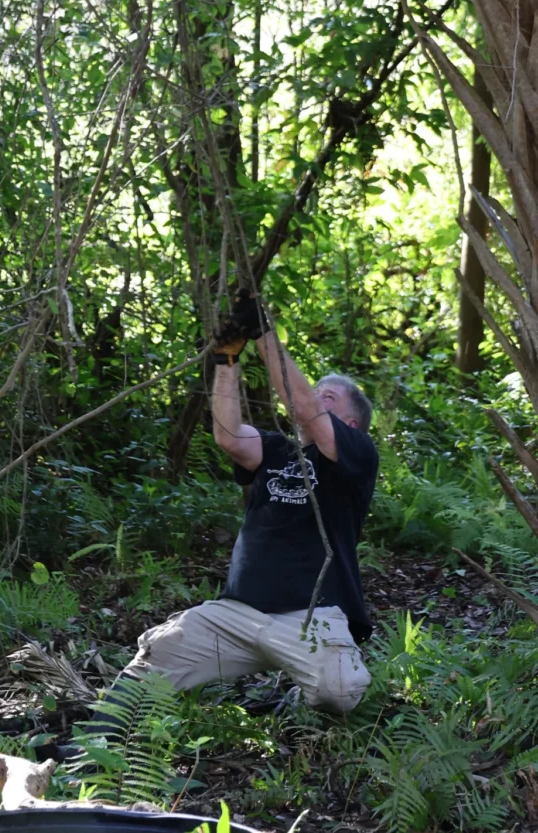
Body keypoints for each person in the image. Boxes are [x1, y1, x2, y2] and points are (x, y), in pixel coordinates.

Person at [125, 292, 378, 713]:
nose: (316, 397)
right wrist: (226, 361)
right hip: (237, 614)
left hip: (310, 616)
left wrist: (263, 335)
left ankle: (296, 704)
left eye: (329, 398)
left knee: (340, 690)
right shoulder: (276, 449)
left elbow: (304, 408)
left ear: (351, 423)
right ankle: (96, 736)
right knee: (158, 654)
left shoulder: (358, 454)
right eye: (317, 391)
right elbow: (228, 436)